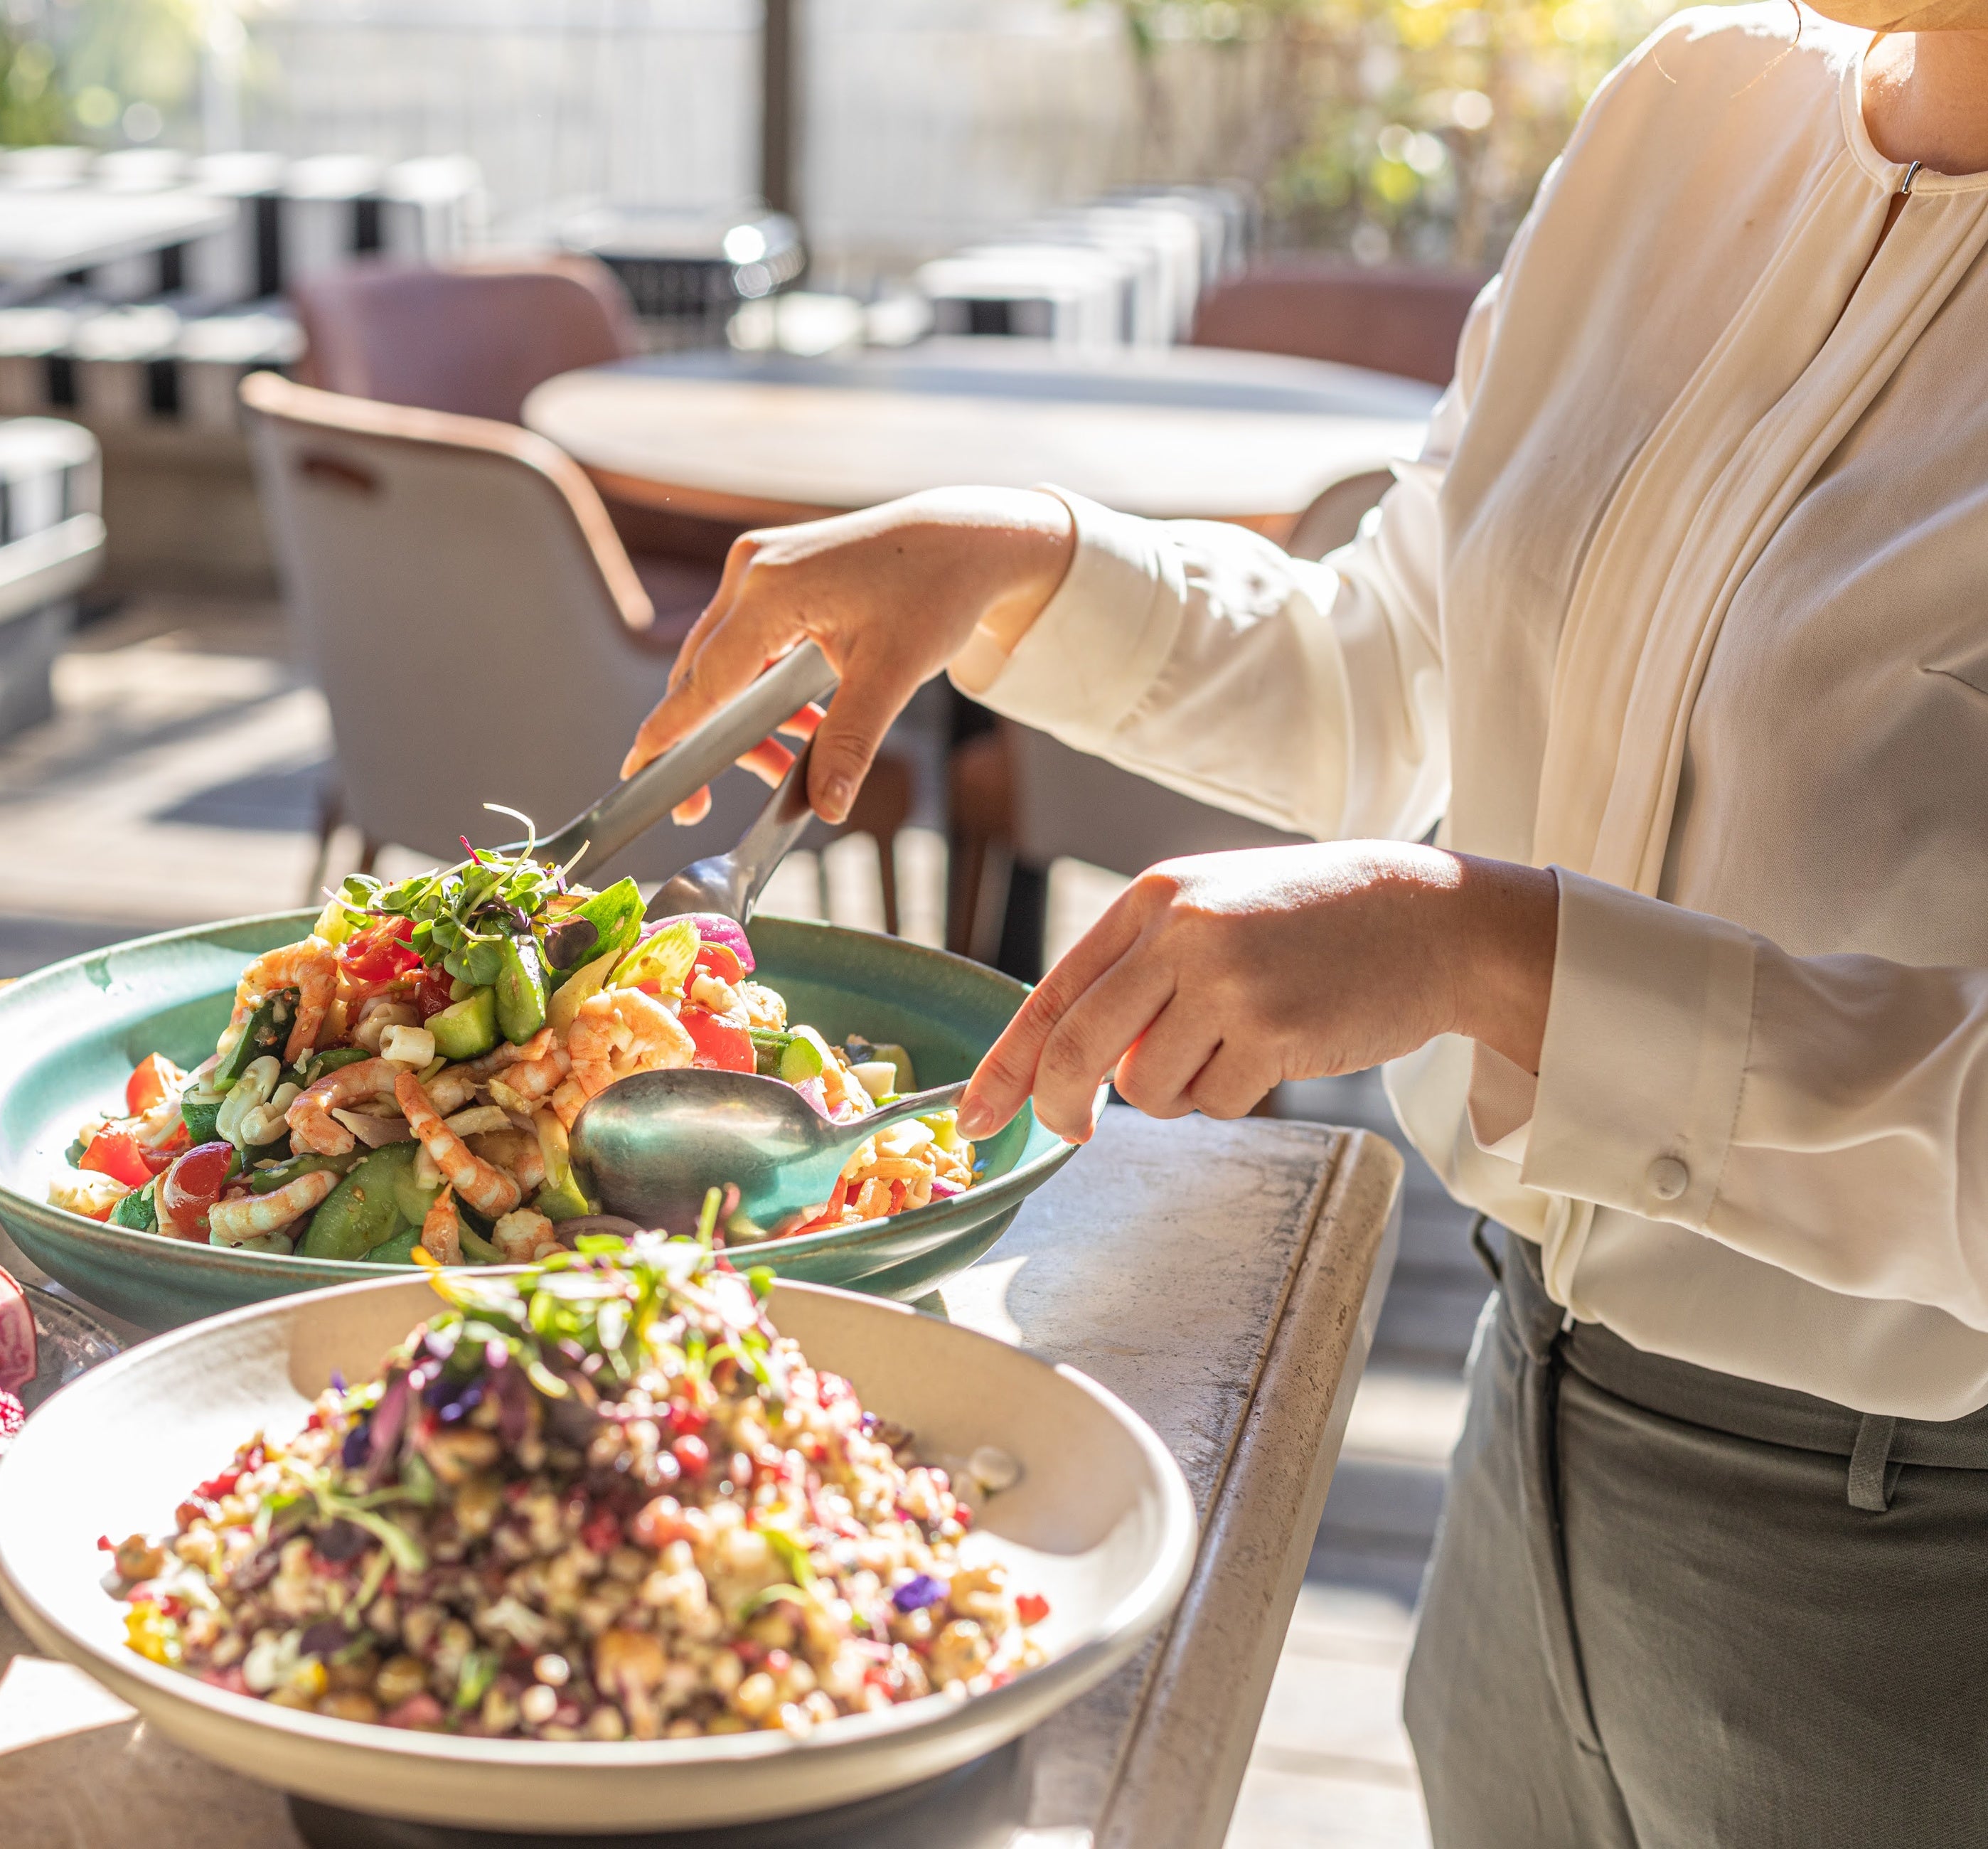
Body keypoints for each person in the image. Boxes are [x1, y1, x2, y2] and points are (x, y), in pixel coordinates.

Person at [624, 6, 1988, 1842]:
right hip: (1529, 1450)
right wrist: (1021, 558)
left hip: (1918, 1579)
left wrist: (1483, 955)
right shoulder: (1693, 107)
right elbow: (1391, 677)